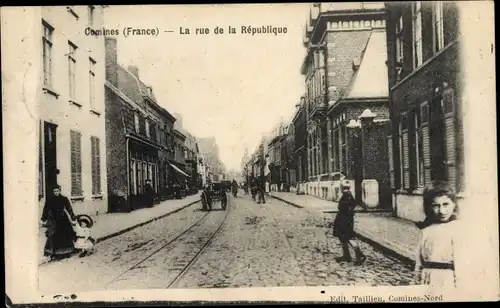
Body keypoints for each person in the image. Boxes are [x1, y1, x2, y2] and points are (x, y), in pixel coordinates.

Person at [414, 181, 462, 289]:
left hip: (447, 280)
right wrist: (416, 281)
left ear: (454, 204)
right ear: (429, 207)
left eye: (446, 204)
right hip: (427, 278)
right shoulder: (426, 230)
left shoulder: (458, 229)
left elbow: (462, 264)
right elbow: (419, 261)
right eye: (436, 206)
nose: (441, 211)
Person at [331, 181, 366, 266]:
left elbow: (342, 208)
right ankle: (346, 256)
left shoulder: (346, 196)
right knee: (343, 238)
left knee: (348, 237)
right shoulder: (349, 195)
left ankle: (359, 255)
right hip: (346, 219)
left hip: (344, 220)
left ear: (342, 188)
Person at [40, 185, 77, 261]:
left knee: (64, 234)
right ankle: (55, 253)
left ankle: (66, 252)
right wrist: (43, 218)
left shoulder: (64, 199)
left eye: (57, 191)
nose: (56, 192)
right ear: (53, 192)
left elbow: (69, 208)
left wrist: (73, 217)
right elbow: (46, 209)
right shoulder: (50, 200)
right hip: (53, 220)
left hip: (63, 219)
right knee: (54, 234)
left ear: (60, 191)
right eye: (54, 191)